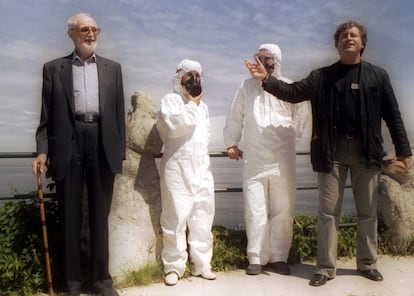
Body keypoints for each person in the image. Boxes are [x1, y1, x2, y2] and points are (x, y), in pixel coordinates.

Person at [245, 20, 412, 286]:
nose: (348, 38)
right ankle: (325, 268)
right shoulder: (322, 76)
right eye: (344, 35)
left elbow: (393, 114)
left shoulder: (378, 76)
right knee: (327, 212)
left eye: (354, 35)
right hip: (331, 150)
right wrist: (267, 80)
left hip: (366, 150)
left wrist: (403, 150)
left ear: (362, 43)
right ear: (337, 44)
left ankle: (367, 264)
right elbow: (293, 92)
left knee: (367, 211)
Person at [32, 13, 125, 296]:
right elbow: (45, 117)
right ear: (71, 33)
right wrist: (42, 151)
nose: (91, 34)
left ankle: (101, 280)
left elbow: (119, 115)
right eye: (85, 29)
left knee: (100, 215)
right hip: (68, 144)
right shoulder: (54, 69)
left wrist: (118, 152)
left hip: (101, 141)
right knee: (71, 217)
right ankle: (72, 283)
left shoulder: (113, 68)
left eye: (95, 29)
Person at [223, 44, 309, 276]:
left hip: (283, 159)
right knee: (255, 208)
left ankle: (279, 256)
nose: (261, 61)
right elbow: (235, 114)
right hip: (254, 158)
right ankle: (256, 257)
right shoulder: (246, 87)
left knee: (283, 209)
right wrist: (231, 142)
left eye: (267, 58)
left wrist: (289, 140)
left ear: (276, 61)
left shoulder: (290, 86)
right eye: (258, 57)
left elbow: (301, 118)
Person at [156, 59, 216, 286]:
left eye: (197, 76)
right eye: (189, 76)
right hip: (177, 168)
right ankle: (173, 266)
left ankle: (202, 265)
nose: (193, 80)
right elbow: (175, 128)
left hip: (202, 168)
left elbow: (205, 137)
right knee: (175, 218)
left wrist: (197, 104)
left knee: (203, 216)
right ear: (179, 77)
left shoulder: (205, 107)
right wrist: (192, 104)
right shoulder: (170, 101)